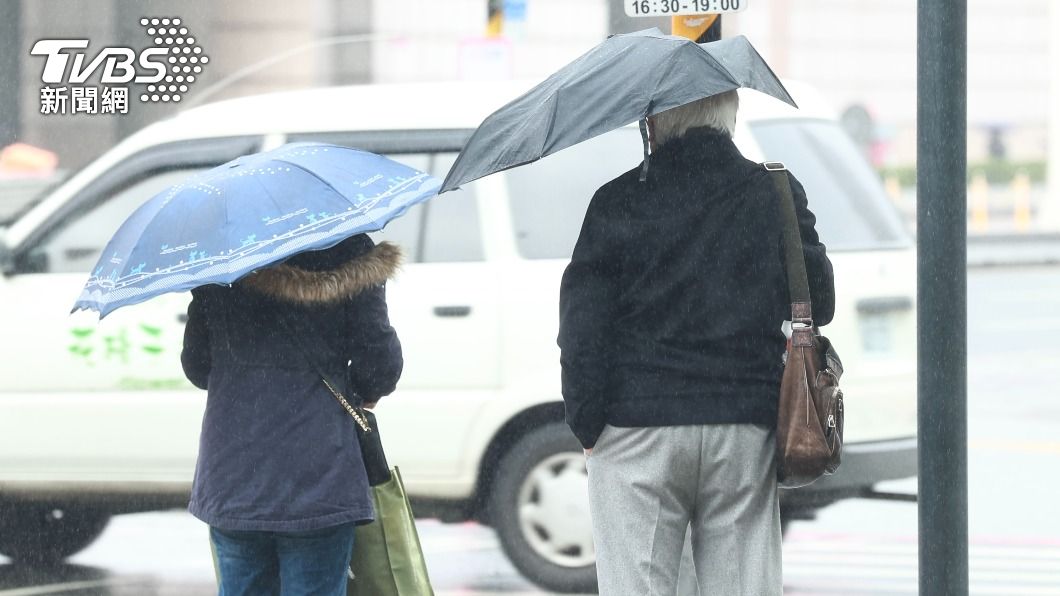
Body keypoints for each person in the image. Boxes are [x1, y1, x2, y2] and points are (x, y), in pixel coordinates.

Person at [558, 90, 835, 596]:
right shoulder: (774, 191)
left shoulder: (617, 201)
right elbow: (819, 302)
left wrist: (586, 421)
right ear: (728, 116)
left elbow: (582, 329)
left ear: (656, 124)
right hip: (743, 424)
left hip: (638, 425)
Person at [181, 233, 403, 596]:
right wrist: (361, 389)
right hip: (319, 473)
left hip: (234, 471)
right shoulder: (350, 250)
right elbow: (380, 365)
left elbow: (197, 364)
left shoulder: (223, 255)